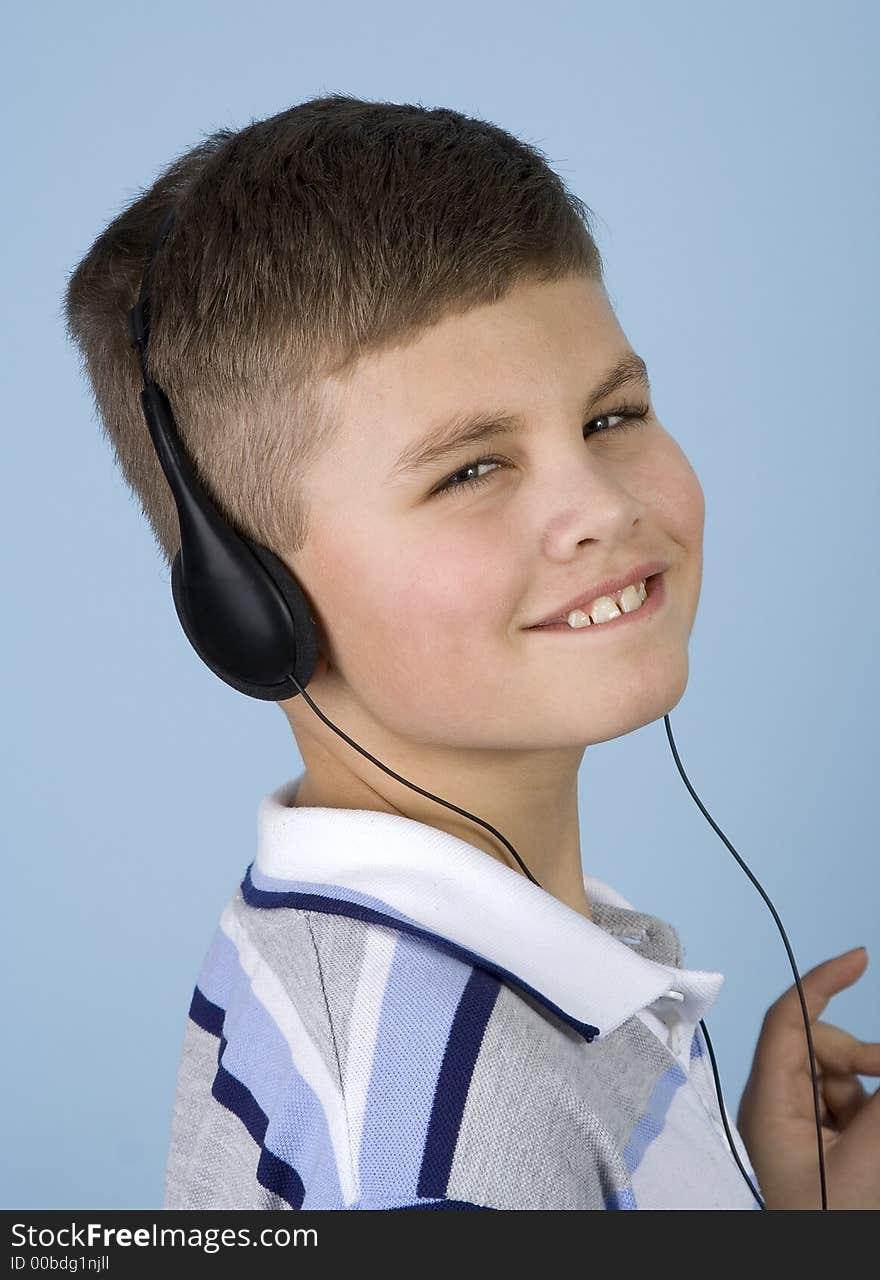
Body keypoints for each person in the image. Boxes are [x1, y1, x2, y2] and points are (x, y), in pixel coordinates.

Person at [63, 93, 879, 1211]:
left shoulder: (334, 924)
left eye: (611, 416)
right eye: (471, 470)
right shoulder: (449, 1153)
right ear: (246, 603)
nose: (596, 507)